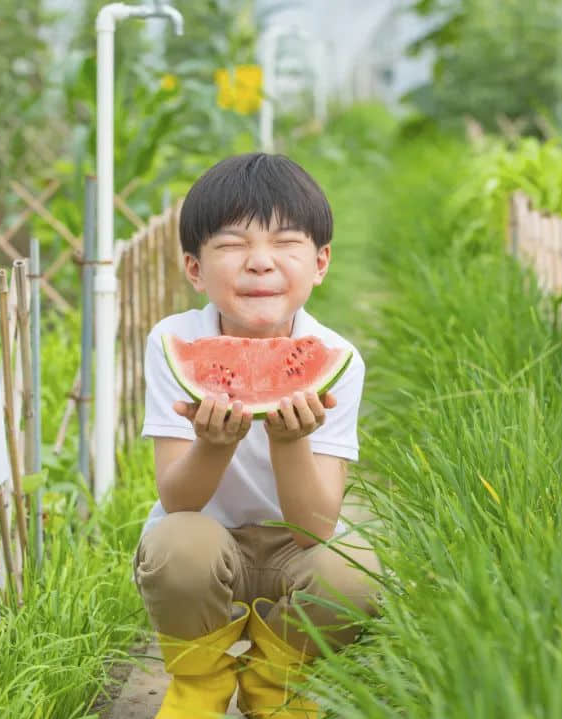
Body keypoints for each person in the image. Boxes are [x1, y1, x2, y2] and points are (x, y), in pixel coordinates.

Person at [133, 152, 382, 718]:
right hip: (206, 545)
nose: (260, 263)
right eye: (232, 244)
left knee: (355, 573)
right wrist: (213, 444)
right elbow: (178, 501)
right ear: (195, 268)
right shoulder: (172, 342)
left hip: (296, 552)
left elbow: (316, 527)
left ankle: (276, 679)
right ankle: (199, 683)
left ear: (320, 263)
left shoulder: (339, 359)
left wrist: (289, 441)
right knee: (177, 544)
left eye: (285, 243)